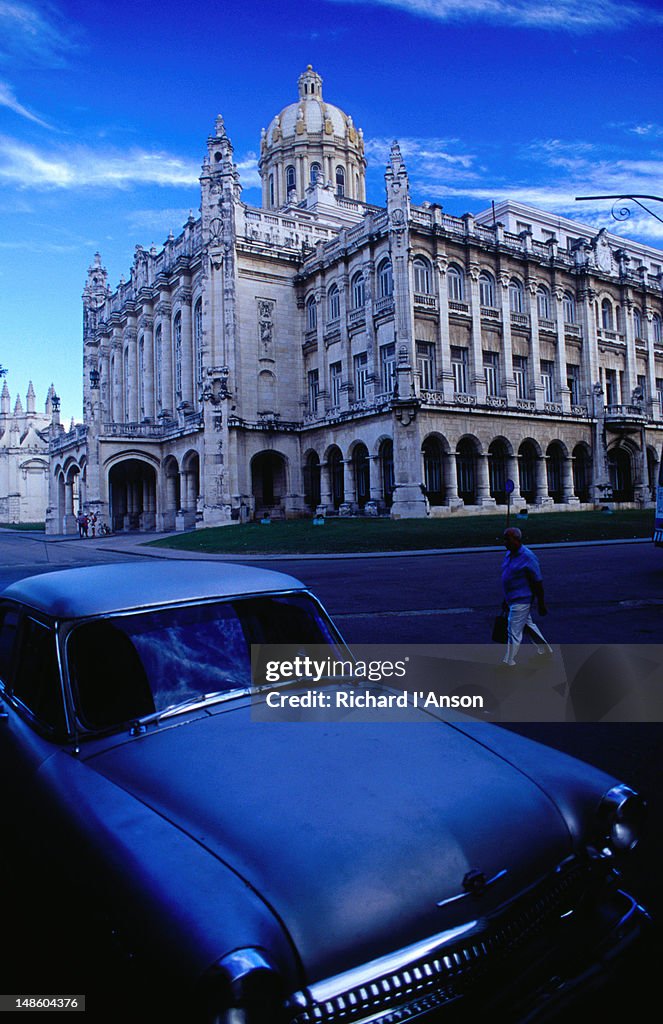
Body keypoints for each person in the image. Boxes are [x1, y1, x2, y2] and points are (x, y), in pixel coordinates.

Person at [500, 526, 552, 666]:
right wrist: (505, 600)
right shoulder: (509, 554)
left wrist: (541, 603)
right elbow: (509, 578)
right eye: (504, 539)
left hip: (522, 599)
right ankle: (546, 649)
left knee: (513, 630)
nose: (504, 542)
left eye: (507, 539)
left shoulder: (528, 557)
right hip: (512, 598)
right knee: (528, 626)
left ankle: (508, 661)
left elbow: (537, 581)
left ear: (517, 539)